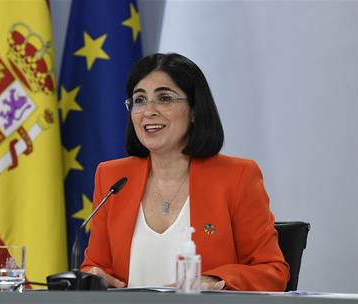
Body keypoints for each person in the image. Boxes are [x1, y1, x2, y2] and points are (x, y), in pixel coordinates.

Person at [81, 53, 289, 291]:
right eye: (139, 100)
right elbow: (95, 266)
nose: (148, 111)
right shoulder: (112, 177)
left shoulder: (237, 176)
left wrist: (212, 281)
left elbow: (272, 272)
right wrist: (93, 276)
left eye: (164, 98)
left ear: (194, 111)